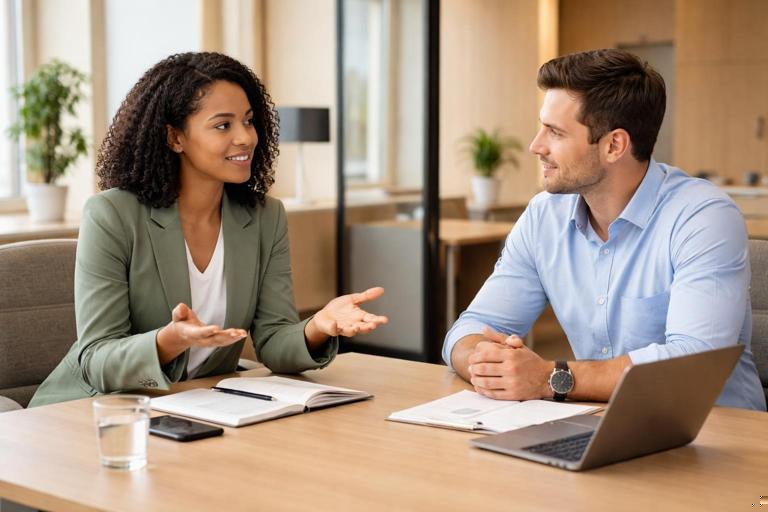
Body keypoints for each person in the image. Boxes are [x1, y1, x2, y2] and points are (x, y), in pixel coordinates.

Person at [30, 52, 387, 406]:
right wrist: (169, 340)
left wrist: (319, 326)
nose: (246, 138)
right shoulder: (111, 214)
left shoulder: (265, 217)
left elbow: (275, 342)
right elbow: (96, 359)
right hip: (93, 412)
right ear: (175, 138)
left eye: (248, 121)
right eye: (223, 125)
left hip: (199, 409)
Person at [443, 49, 766, 411]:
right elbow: (472, 327)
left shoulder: (703, 217)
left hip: (719, 437)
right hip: (605, 424)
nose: (536, 146)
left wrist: (550, 377)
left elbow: (691, 364)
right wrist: (485, 363)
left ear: (614, 145)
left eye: (555, 132)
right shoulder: (544, 216)